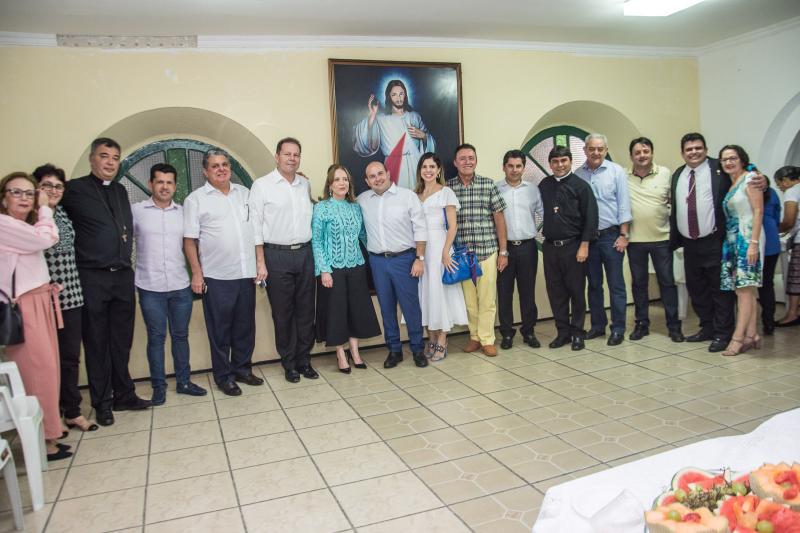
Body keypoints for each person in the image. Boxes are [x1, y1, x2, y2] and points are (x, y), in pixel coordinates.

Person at [61, 138, 151, 426]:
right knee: (97, 342)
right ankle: (102, 402)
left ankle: (124, 394)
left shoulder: (120, 190)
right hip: (92, 276)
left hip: (122, 275)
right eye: (104, 156)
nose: (110, 162)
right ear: (92, 159)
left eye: (115, 157)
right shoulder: (74, 190)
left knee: (121, 341)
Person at [0, 172, 70, 460]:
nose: (24, 198)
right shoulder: (4, 224)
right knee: (37, 373)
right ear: (3, 197)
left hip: (40, 301)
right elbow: (47, 238)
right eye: (16, 192)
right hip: (24, 307)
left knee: (48, 370)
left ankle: (50, 431)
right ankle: (44, 441)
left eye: (30, 193)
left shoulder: (19, 225)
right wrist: (44, 207)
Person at [184, 149, 262, 396]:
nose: (221, 169)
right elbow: (189, 241)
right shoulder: (196, 200)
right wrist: (197, 274)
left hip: (245, 273)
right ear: (205, 172)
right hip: (216, 276)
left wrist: (259, 263)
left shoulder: (245, 193)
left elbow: (257, 229)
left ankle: (242, 369)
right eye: (215, 166)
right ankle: (223, 376)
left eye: (225, 164)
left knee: (245, 327)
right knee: (220, 331)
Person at [132, 163, 207, 405]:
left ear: (175, 186)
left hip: (179, 286)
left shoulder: (183, 212)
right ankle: (158, 387)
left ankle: (184, 382)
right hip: (149, 287)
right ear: (151, 184)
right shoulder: (137, 211)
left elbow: (192, 244)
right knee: (156, 338)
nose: (164, 187)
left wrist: (198, 274)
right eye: (160, 182)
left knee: (180, 336)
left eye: (169, 182)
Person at [33, 164, 97, 433]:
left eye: (58, 186)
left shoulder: (64, 214)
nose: (53, 190)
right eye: (47, 185)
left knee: (70, 357)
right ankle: (51, 416)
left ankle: (72, 411)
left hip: (71, 295)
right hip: (42, 299)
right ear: (37, 188)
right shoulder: (31, 217)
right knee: (46, 362)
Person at [249, 137, 318, 384]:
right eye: (287, 154)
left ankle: (304, 360)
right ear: (277, 156)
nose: (292, 158)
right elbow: (255, 226)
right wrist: (260, 262)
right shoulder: (262, 185)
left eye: (296, 154)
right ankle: (289, 363)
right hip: (275, 255)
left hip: (305, 254)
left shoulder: (304, 184)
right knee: (283, 313)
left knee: (306, 311)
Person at [357, 161, 428, 368]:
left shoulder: (407, 197)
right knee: (386, 308)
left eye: (380, 173)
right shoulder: (362, 200)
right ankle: (394, 350)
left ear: (388, 173)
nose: (377, 179)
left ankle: (417, 349)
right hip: (378, 262)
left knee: (410, 307)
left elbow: (421, 229)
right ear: (367, 181)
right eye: (372, 176)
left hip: (404, 259)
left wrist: (419, 259)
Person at [669, 132, 735, 353]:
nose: (694, 152)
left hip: (715, 241)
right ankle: (707, 327)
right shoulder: (678, 174)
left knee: (720, 291)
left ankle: (723, 333)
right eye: (689, 149)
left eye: (698, 148)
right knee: (697, 290)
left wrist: (759, 180)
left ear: (706, 149)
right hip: (689, 244)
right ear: (682, 153)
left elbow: (743, 173)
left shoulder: (719, 168)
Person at [312, 164, 382, 372]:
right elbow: (316, 241)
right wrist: (324, 269)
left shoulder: (355, 207)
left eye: (345, 179)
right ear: (330, 184)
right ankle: (341, 354)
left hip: (356, 266)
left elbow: (363, 236)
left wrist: (379, 255)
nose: (342, 183)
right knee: (337, 312)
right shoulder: (322, 207)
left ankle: (355, 352)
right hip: (332, 269)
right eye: (337, 179)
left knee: (355, 311)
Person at [446, 144, 508, 357]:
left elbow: (499, 220)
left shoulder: (488, 185)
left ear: (476, 160)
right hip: (462, 256)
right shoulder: (447, 188)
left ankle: (487, 339)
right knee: (470, 301)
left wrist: (503, 252)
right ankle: (474, 337)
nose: (467, 162)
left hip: (487, 251)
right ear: (455, 163)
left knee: (487, 300)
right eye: (462, 158)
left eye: (471, 158)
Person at [538, 147, 599, 351]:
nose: (560, 165)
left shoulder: (581, 186)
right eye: (555, 161)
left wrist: (584, 245)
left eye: (564, 160)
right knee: (556, 293)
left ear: (571, 161)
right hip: (550, 248)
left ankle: (578, 333)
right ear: (550, 164)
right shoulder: (545, 185)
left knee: (576, 292)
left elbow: (591, 218)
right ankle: (562, 333)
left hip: (574, 247)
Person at [625, 138, 684, 342]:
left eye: (646, 151)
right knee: (639, 284)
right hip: (635, 241)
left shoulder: (666, 173)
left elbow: (676, 199)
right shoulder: (624, 176)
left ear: (652, 153)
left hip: (662, 239)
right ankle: (642, 324)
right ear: (631, 156)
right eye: (637, 152)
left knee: (667, 283)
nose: (642, 155)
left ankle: (674, 326)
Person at [574, 134, 632, 346]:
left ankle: (618, 329)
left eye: (600, 149)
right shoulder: (578, 175)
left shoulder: (616, 171)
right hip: (589, 240)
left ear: (606, 150)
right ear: (585, 150)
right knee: (594, 285)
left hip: (611, 237)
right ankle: (598, 326)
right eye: (591, 149)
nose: (596, 153)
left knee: (616, 285)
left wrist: (624, 235)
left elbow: (624, 204)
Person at [415, 152, 467, 361]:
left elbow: (453, 226)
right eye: (424, 166)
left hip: (440, 248)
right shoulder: (415, 194)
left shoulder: (446, 192)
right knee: (426, 293)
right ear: (420, 170)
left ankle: (443, 340)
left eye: (432, 167)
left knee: (440, 293)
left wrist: (446, 252)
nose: (428, 170)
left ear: (438, 170)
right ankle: (431, 338)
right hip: (422, 250)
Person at [718, 145, 765, 356]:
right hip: (732, 240)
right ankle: (752, 335)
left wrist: (753, 243)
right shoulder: (733, 182)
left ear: (742, 159)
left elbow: (758, 210)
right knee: (747, 290)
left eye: (733, 158)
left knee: (743, 291)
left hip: (747, 240)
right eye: (724, 159)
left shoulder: (751, 178)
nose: (728, 162)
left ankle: (737, 338)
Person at [496, 149, 544, 350]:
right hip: (504, 249)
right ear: (504, 167)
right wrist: (501, 251)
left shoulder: (533, 190)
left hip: (527, 248)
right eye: (510, 166)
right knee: (504, 293)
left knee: (527, 293)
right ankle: (507, 334)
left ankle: (529, 331)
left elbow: (544, 214)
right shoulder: (495, 189)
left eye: (518, 166)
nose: (514, 170)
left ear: (523, 167)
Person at [353, 79, 436, 190]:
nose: (398, 98)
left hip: (416, 165)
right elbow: (365, 142)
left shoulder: (414, 116)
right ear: (389, 97)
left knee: (418, 196)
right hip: (394, 166)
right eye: (394, 95)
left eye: (401, 94)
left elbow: (430, 146)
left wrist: (424, 136)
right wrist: (372, 115)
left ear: (405, 95)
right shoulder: (382, 119)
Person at [775, 165, 800, 326]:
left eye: (779, 185)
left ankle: (792, 314)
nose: (781, 188)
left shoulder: (792, 191)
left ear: (785, 180)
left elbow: (789, 220)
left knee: (795, 279)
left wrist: (773, 230)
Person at [758, 174, 782, 335]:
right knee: (767, 284)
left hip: (759, 244)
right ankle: (768, 322)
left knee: (746, 288)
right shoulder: (772, 193)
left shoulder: (746, 192)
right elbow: (777, 218)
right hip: (771, 243)